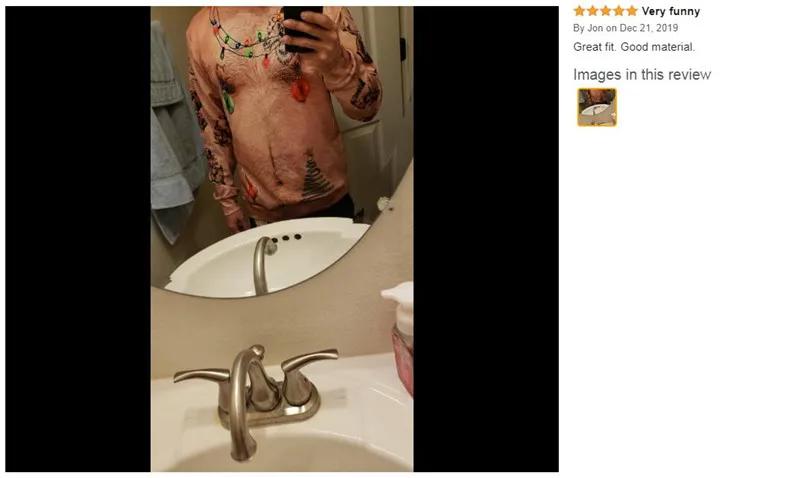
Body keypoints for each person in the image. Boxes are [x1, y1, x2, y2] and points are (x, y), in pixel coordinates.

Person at [186, 7, 382, 232]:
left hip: (330, 204)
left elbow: (369, 109)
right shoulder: (200, 30)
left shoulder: (326, 9)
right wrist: (228, 201)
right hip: (261, 214)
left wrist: (337, 62)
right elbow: (212, 122)